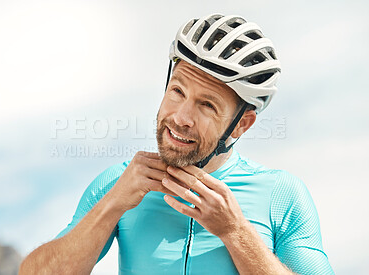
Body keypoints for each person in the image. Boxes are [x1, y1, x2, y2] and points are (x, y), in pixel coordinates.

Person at [19, 14, 334, 274]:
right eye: (177, 91)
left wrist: (234, 231)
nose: (181, 117)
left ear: (241, 124)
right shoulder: (117, 183)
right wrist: (113, 204)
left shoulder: (282, 195)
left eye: (207, 105)